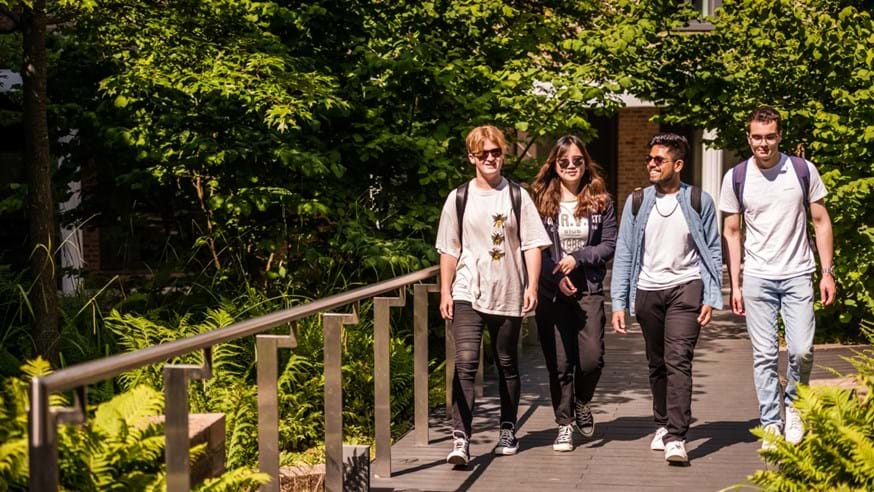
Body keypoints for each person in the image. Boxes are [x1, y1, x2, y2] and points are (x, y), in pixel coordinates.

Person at [720, 106, 836, 449]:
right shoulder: (736, 177)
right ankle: (770, 421)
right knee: (765, 355)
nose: (763, 144)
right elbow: (731, 231)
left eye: (770, 137)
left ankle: (794, 407)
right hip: (757, 277)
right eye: (757, 137)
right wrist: (736, 284)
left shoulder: (801, 170)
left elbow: (821, 222)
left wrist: (827, 273)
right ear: (748, 137)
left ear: (779, 136)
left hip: (799, 273)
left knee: (802, 350)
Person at [435, 125, 551, 466]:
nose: (490, 158)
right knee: (466, 362)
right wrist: (445, 290)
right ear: (472, 157)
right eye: (483, 153)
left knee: (506, 364)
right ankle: (461, 439)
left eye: (495, 152)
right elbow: (449, 249)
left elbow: (532, 243)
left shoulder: (517, 195)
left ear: (503, 153)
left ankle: (507, 428)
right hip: (468, 290)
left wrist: (532, 285)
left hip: (508, 291)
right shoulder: (459, 197)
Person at [610, 133, 723, 465]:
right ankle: (661, 423)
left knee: (678, 360)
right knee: (657, 362)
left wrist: (711, 295)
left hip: (686, 286)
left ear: (678, 165)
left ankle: (676, 435)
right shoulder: (636, 202)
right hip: (647, 289)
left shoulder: (699, 201)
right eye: (649, 159)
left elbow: (713, 251)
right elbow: (625, 252)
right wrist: (619, 302)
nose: (651, 164)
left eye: (658, 160)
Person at [530, 135, 616, 452]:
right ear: (554, 164)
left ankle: (582, 401)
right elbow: (534, 246)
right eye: (564, 161)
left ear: (585, 163)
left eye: (577, 161)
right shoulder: (539, 200)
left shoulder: (600, 200)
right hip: (552, 292)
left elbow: (609, 244)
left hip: (588, 289)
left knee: (592, 359)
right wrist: (555, 275)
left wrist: (577, 259)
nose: (571, 167)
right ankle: (564, 423)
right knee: (560, 363)